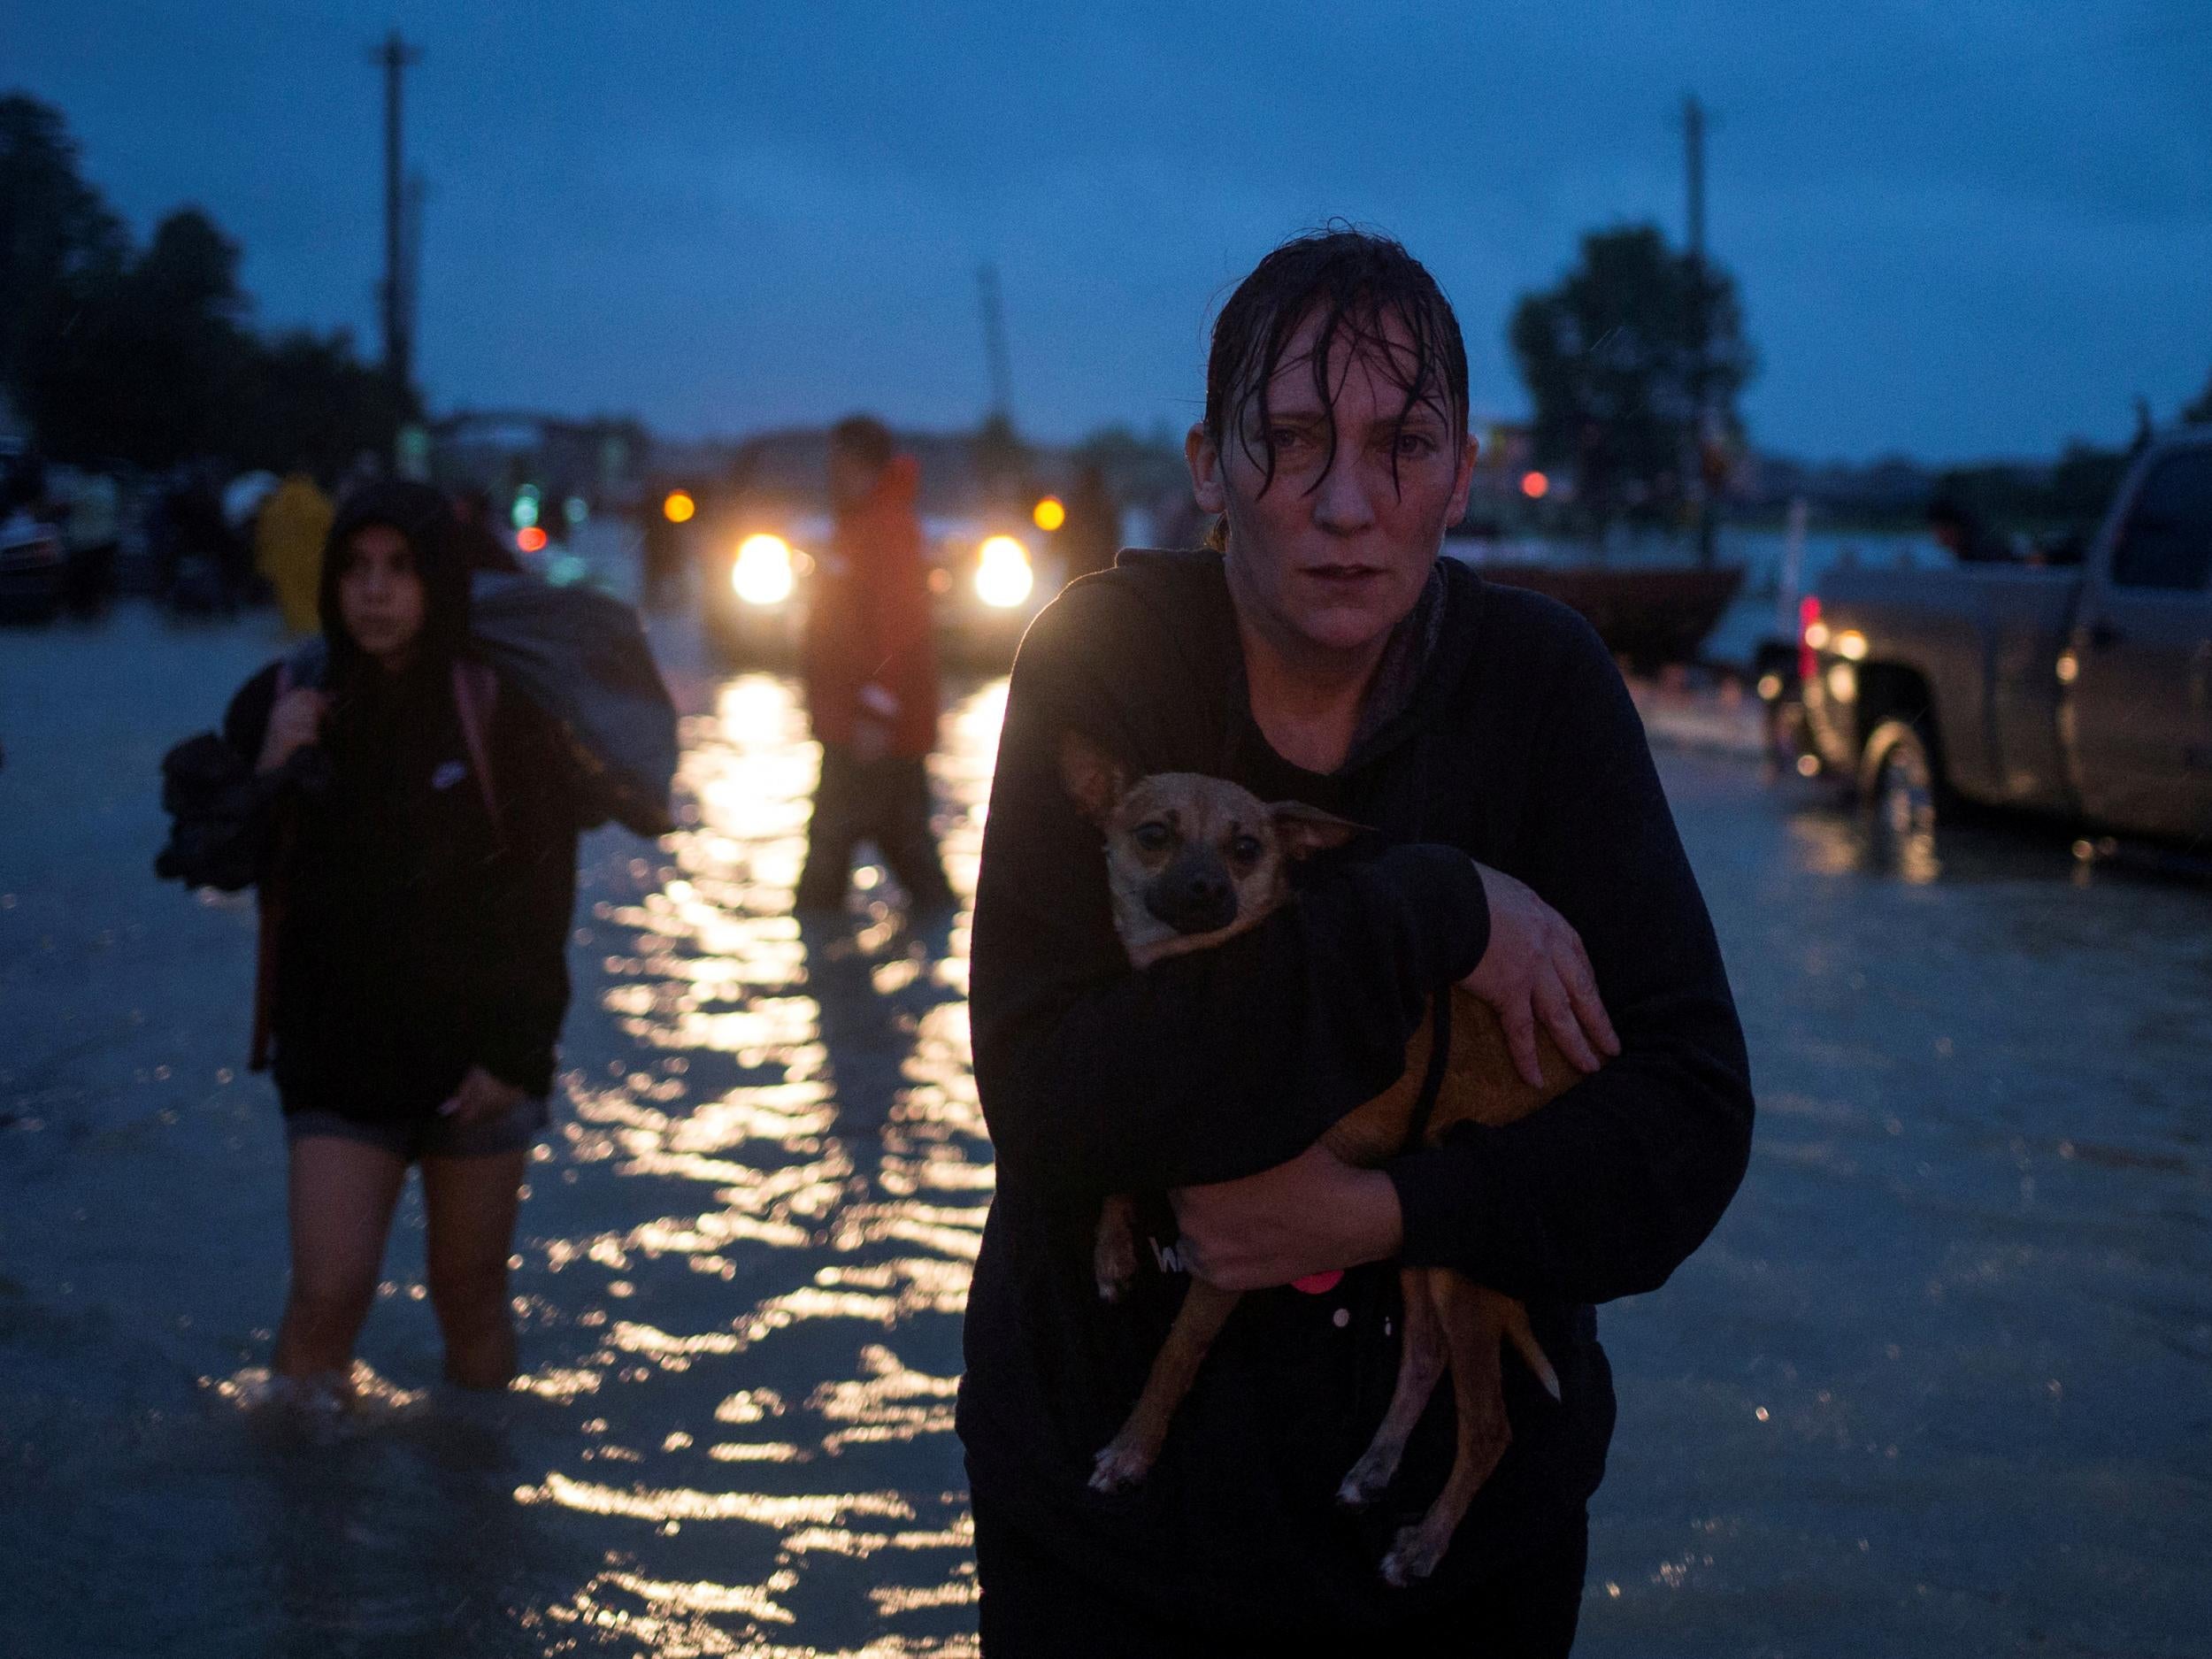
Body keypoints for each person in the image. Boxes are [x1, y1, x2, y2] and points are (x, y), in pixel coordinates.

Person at [961, 230, 1754, 1654]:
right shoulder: (1104, 660)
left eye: (1402, 445)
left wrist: (1385, 1214)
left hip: (1454, 1585)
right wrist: (1433, 909)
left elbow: (1687, 1124)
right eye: (1292, 440)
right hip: (1104, 1550)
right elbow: (1049, 1099)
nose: (1345, 502)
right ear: (1208, 465)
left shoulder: (1544, 690)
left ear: (1462, 471)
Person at [216, 480, 581, 1399]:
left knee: (472, 1298)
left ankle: (476, 1514)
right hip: (339, 1058)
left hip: (477, 1066)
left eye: (401, 570)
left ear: (441, 582)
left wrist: (513, 1054)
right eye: (356, 569)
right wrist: (271, 769)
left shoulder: (500, 708)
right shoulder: (286, 695)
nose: (375, 591)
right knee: (326, 1298)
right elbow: (217, 863)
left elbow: (541, 897)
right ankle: (300, 1523)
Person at [795, 414, 954, 916]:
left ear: (861, 465)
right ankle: (943, 947)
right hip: (863, 724)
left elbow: (898, 624)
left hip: (872, 729)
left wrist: (878, 710)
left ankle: (827, 967)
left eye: (838, 463)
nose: (830, 474)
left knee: (831, 858)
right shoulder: (864, 523)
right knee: (901, 846)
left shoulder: (887, 528)